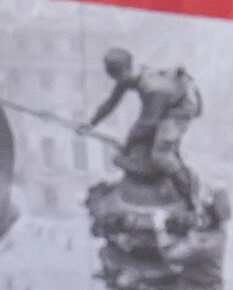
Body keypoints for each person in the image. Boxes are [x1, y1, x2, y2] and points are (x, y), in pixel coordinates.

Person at [82, 46, 202, 207]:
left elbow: (148, 123)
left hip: (181, 107)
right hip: (167, 101)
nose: (117, 82)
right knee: (148, 140)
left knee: (161, 154)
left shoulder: (153, 88)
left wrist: (128, 144)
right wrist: (91, 123)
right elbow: (111, 102)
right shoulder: (129, 76)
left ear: (121, 72)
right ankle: (176, 172)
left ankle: (189, 196)